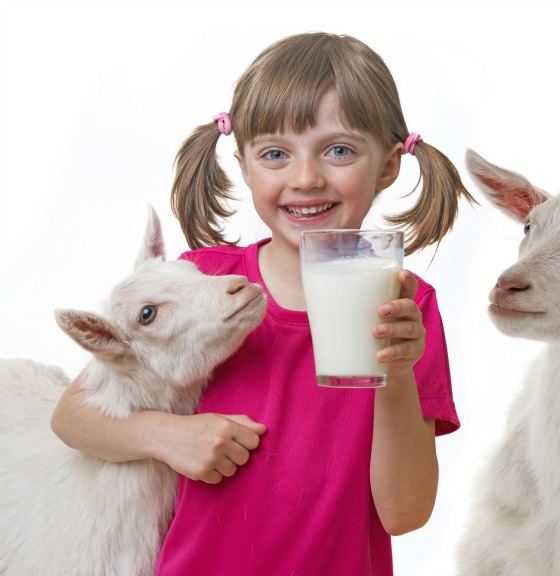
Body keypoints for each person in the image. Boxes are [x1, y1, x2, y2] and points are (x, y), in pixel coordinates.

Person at [51, 32, 474, 575]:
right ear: (245, 165)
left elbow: (404, 513)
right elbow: (72, 417)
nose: (305, 178)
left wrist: (394, 373)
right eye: (275, 153)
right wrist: (165, 435)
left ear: (389, 166)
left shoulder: (406, 309)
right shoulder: (201, 282)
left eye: (339, 150)